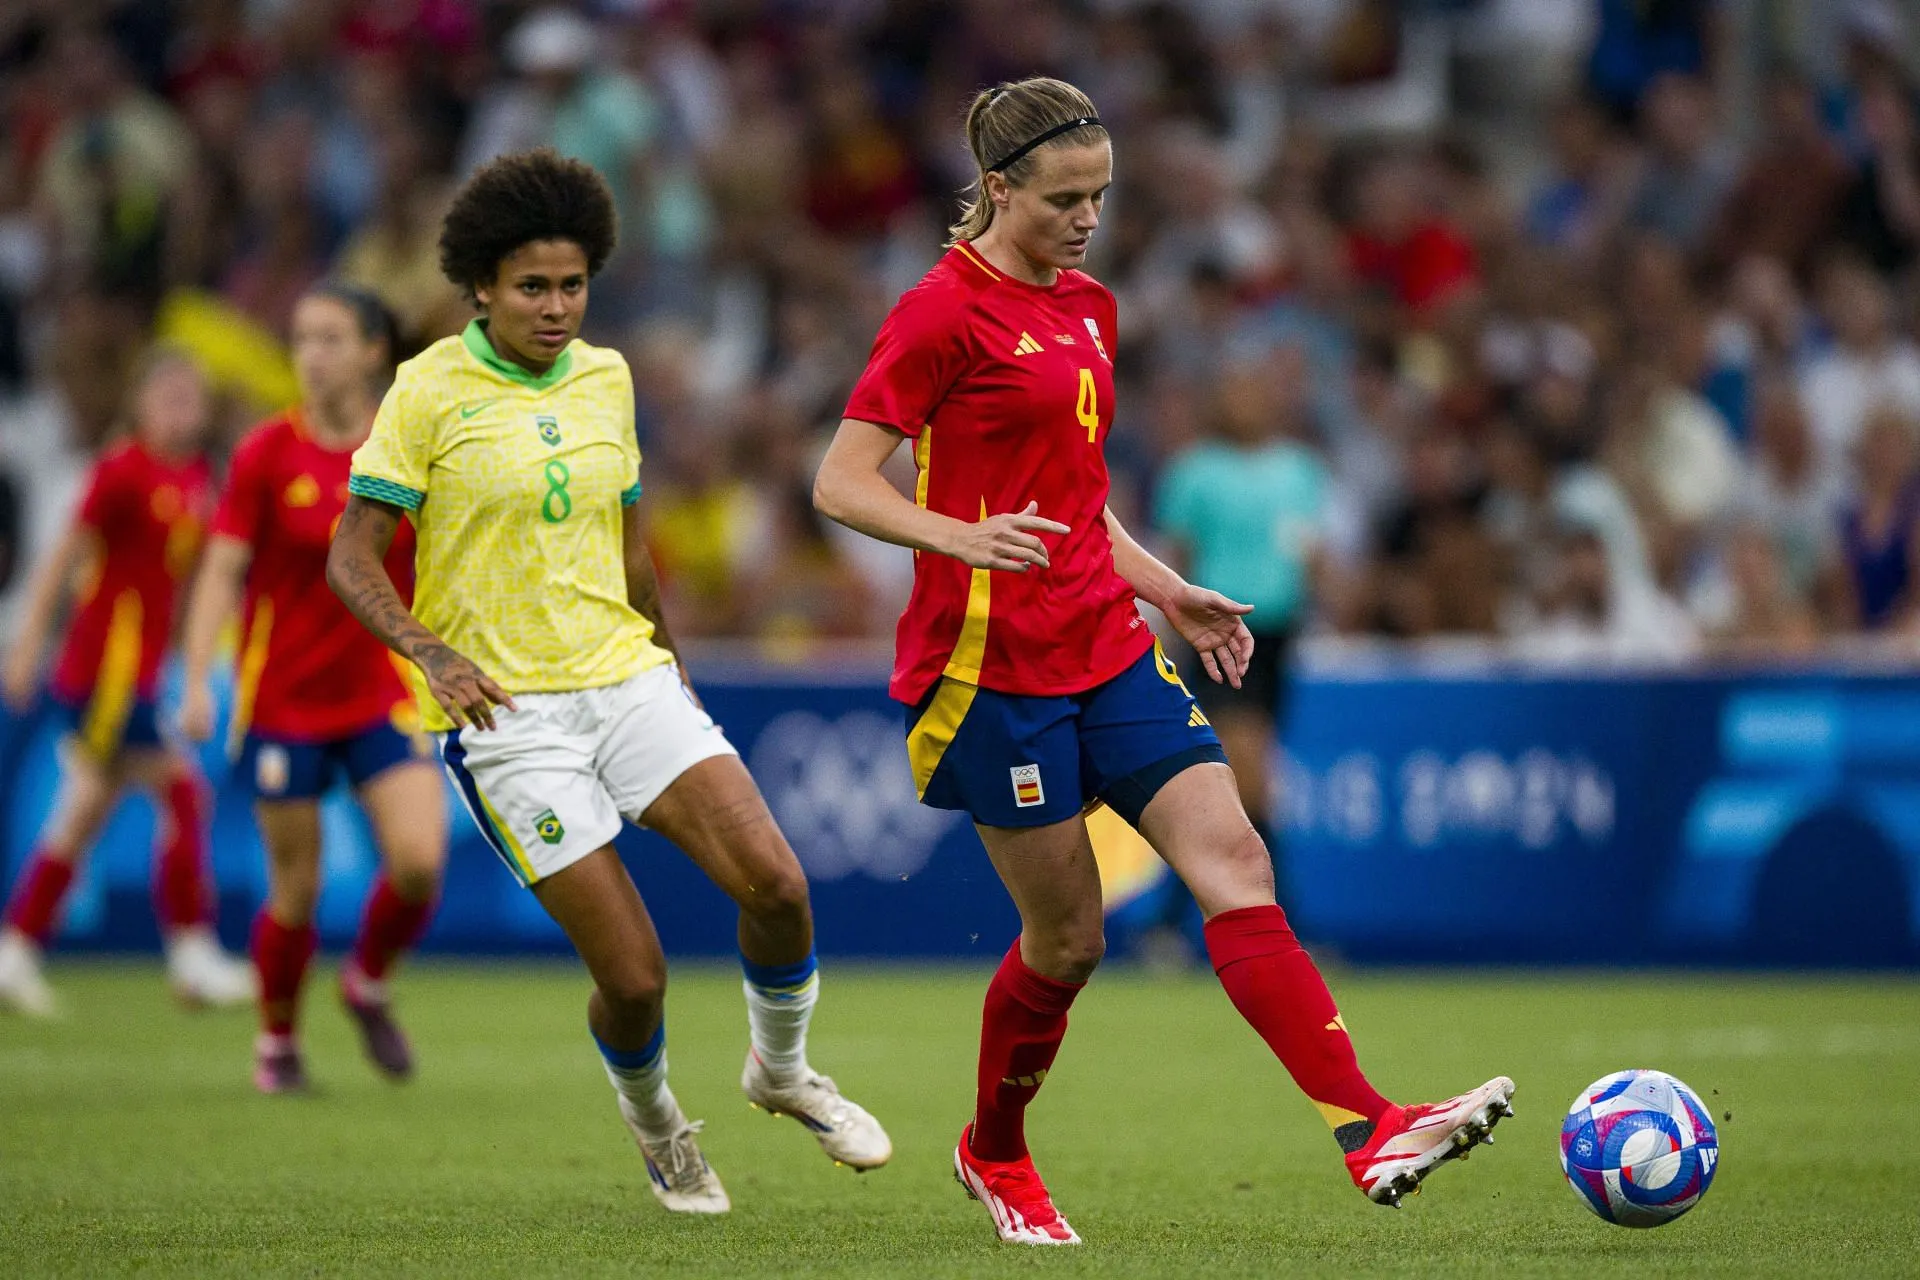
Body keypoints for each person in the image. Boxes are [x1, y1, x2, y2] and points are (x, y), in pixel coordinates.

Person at [813, 77, 1513, 1246]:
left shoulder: (1091, 305)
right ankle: (994, 1149)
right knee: (1069, 939)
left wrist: (1167, 589)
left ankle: (1371, 1125)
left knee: (1236, 857)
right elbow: (839, 477)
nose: (1086, 218)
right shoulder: (940, 311)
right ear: (997, 189)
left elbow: (1077, 503)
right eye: (1063, 198)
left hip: (1104, 640)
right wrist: (955, 535)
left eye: (1100, 195)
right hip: (989, 670)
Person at [325, 148, 888, 1214]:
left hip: (626, 676)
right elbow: (352, 553)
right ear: (481, 284)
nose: (555, 305)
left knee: (779, 883)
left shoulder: (608, 375)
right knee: (634, 977)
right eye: (532, 285)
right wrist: (429, 649)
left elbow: (627, 548)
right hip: (506, 711)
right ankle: (660, 1124)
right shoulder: (427, 386)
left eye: (573, 284)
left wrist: (670, 661)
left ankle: (780, 1068)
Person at [177, 285, 447, 1094]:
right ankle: (278, 1045)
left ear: (373, 351)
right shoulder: (266, 453)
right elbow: (222, 571)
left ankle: (365, 981)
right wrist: (196, 679)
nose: (311, 355)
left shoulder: (402, 450)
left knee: (419, 864)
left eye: (331, 338)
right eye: (301, 338)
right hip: (283, 700)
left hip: (379, 689)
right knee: (295, 885)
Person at [0, 349, 253, 1015]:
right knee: (181, 791)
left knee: (83, 814)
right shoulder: (123, 470)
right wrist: (29, 645)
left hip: (137, 671)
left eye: (189, 398)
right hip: (102, 674)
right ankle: (193, 951)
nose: (179, 410)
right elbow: (64, 557)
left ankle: (16, 949)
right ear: (139, 403)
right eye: (166, 397)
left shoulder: (197, 476)